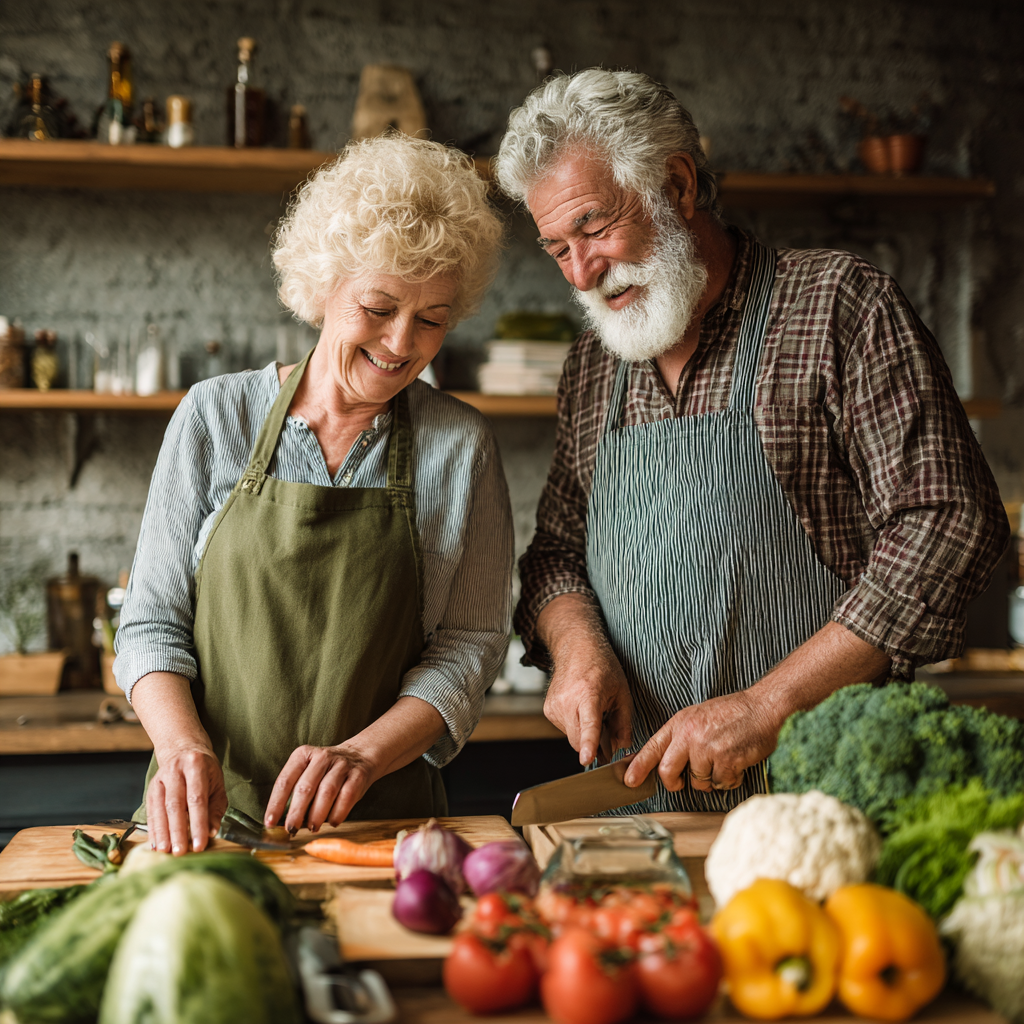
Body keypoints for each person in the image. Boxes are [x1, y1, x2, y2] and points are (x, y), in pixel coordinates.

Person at [494, 69, 1010, 813]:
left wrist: (766, 707)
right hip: (638, 808)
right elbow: (557, 553)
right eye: (556, 248)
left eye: (595, 227)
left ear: (676, 186)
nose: (583, 273)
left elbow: (947, 523)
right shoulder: (593, 365)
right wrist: (577, 651)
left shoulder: (837, 305)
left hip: (819, 796)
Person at [116, 135, 512, 853]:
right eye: (379, 305)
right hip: (207, 822)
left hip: (378, 827)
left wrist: (364, 754)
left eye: (431, 318)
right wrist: (180, 750)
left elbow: (471, 643)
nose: (400, 343)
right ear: (324, 285)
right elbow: (150, 625)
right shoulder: (216, 416)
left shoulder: (461, 445)